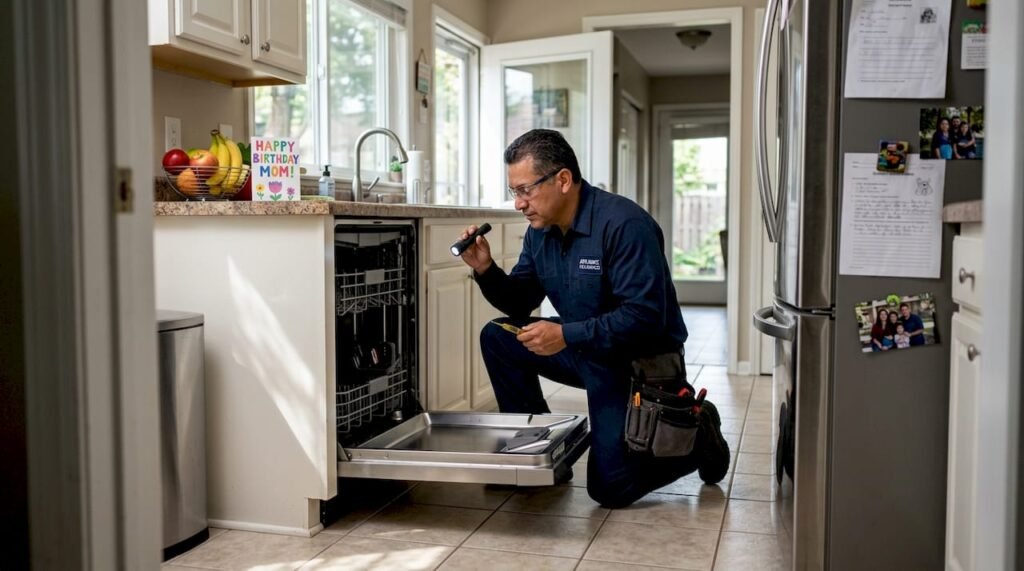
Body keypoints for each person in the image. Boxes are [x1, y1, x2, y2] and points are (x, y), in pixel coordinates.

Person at [457, 129, 730, 508]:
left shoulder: (625, 225)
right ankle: (539, 452)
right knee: (499, 337)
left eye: (525, 190)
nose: (518, 203)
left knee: (609, 489)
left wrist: (566, 334)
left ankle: (699, 434)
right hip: (586, 349)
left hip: (638, 364)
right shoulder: (540, 233)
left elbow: (645, 317)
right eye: (514, 192)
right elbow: (519, 302)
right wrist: (485, 269)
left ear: (563, 180)